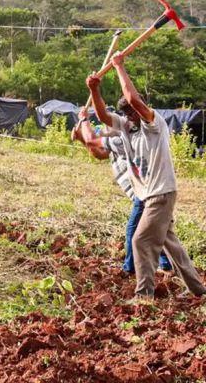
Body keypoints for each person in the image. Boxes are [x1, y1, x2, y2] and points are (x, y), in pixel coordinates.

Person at [86, 51, 206, 299]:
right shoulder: (125, 127)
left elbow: (134, 99)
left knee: (140, 241)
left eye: (133, 112)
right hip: (149, 194)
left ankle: (144, 297)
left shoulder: (154, 123)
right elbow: (101, 116)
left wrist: (119, 67)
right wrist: (94, 90)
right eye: (128, 114)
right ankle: (199, 290)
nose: (131, 117)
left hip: (160, 193)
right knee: (169, 243)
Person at [70, 109, 172, 274]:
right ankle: (165, 263)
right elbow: (99, 153)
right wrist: (82, 138)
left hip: (145, 190)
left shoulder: (122, 137)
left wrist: (83, 121)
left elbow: (93, 141)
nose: (103, 129)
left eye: (107, 124)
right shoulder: (112, 135)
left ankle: (130, 267)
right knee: (157, 226)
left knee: (134, 228)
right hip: (144, 189)